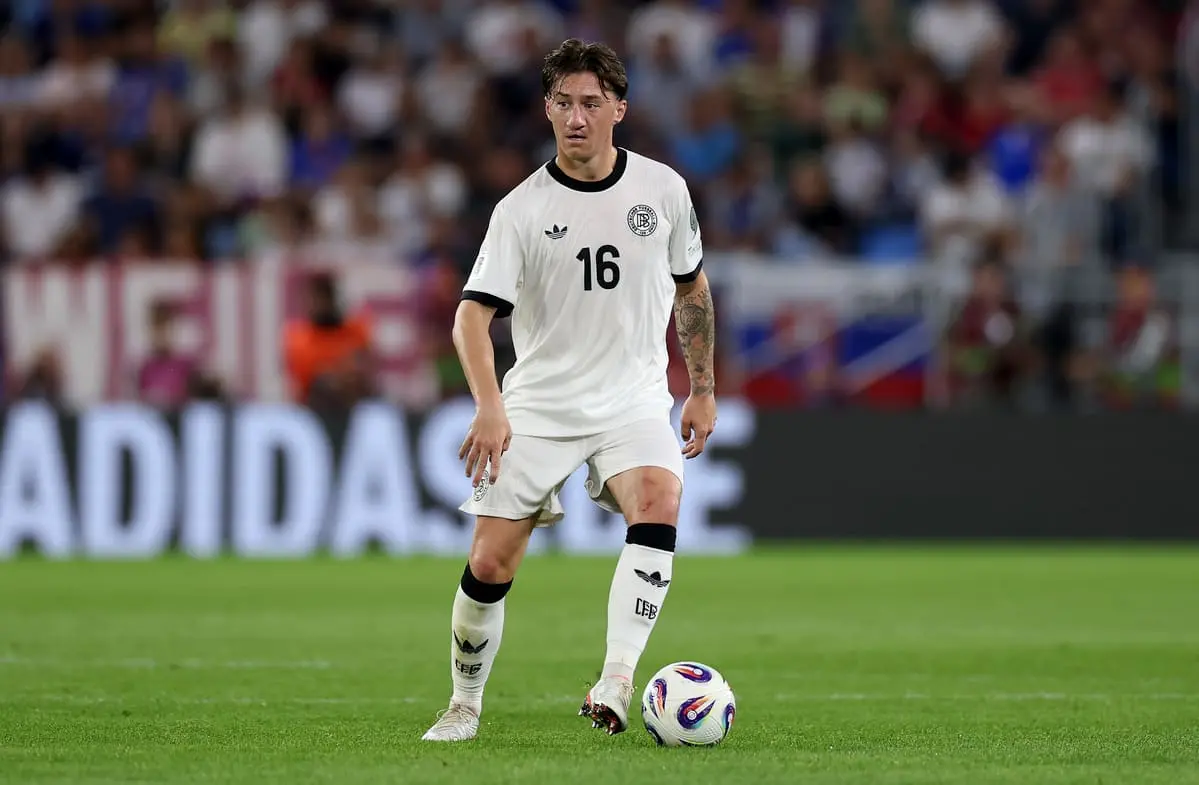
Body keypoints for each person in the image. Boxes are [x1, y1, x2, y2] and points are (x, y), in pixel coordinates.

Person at [421, 39, 718, 742]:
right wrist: (490, 405)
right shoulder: (521, 209)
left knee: (660, 499)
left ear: (619, 107)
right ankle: (464, 702)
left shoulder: (663, 191)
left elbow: (692, 289)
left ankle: (617, 677)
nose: (576, 117)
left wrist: (701, 387)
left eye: (590, 102)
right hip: (541, 405)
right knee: (491, 559)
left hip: (633, 399)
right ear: (546, 109)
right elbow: (471, 315)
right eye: (562, 103)